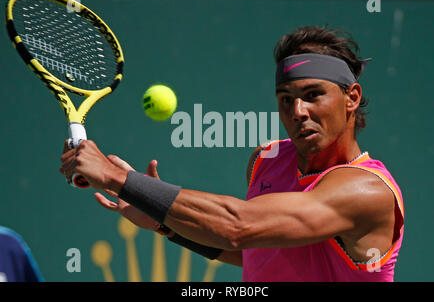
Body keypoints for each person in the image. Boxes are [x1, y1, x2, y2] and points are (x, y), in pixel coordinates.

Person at [60, 26, 404, 282]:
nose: (297, 110)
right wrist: (167, 223)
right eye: (285, 99)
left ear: (352, 97)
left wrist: (118, 178)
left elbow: (239, 225)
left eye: (313, 94)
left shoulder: (367, 191)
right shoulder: (266, 159)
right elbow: (253, 250)